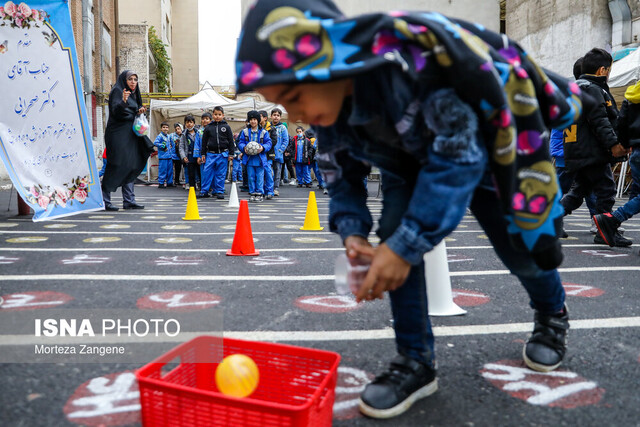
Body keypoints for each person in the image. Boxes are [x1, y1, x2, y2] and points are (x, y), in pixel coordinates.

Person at [236, 0, 582, 418]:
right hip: (407, 164)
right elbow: (339, 176)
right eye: (281, 104)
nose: (295, 116)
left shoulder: (411, 72)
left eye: (293, 97)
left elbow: (459, 160)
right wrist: (354, 234)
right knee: (395, 239)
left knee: (522, 249)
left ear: (332, 63)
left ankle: (551, 313)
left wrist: (403, 247)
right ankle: (415, 360)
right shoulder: (326, 112)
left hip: (488, 156)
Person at [550, 57, 597, 236]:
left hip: (579, 153)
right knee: (560, 189)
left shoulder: (581, 93)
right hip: (567, 154)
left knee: (589, 189)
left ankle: (597, 220)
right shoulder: (572, 95)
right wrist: (558, 151)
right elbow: (557, 127)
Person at [593, 78, 640, 248]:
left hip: (636, 151)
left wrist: (626, 145)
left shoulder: (632, 93)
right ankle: (612, 219)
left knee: (637, 196)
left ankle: (612, 220)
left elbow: (622, 121)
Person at [101, 70, 153, 211]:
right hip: (117, 135)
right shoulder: (118, 91)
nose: (133, 82)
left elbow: (132, 112)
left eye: (135, 79)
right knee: (116, 164)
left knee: (131, 165)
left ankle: (129, 200)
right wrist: (123, 102)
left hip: (130, 135)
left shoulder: (134, 94)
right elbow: (116, 111)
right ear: (124, 80)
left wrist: (139, 111)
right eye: (130, 79)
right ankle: (104, 201)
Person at [198, 106, 234, 199]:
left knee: (220, 174)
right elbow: (204, 142)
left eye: (219, 114)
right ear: (212, 115)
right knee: (207, 172)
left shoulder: (226, 127)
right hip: (210, 154)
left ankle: (219, 191)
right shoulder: (208, 127)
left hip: (223, 154)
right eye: (215, 114)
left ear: (223, 115)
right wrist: (203, 154)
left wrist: (231, 154)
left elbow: (231, 141)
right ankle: (204, 191)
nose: (217, 116)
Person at [238, 110, 272, 202]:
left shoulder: (264, 132)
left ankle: (259, 193)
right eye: (251, 119)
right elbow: (240, 142)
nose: (253, 121)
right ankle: (252, 192)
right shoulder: (244, 132)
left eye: (254, 119)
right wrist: (243, 148)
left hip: (260, 159)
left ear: (258, 120)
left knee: (260, 177)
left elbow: (269, 143)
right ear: (248, 121)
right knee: (251, 176)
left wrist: (263, 148)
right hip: (249, 159)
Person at [179, 115, 202, 191]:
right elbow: (181, 147)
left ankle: (200, 185)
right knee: (190, 172)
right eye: (187, 122)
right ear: (185, 124)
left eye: (191, 122)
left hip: (198, 155)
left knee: (199, 171)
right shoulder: (183, 134)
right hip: (189, 156)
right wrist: (183, 156)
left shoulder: (199, 133)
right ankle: (192, 187)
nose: (189, 124)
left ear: (194, 123)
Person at [270, 108, 289, 196]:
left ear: (280, 117)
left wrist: (280, 150)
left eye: (278, 115)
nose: (276, 117)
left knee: (277, 171)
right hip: (268, 154)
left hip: (278, 154)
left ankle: (276, 188)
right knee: (268, 171)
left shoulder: (283, 127)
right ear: (271, 116)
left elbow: (286, 140)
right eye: (274, 115)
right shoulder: (267, 126)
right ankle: (268, 188)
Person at [259, 110, 277, 199]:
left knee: (268, 172)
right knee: (259, 174)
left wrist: (264, 146)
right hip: (258, 155)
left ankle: (270, 191)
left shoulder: (272, 129)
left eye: (260, 117)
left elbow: (274, 141)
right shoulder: (256, 128)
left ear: (265, 118)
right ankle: (260, 190)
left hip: (268, 155)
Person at [306, 129, 328, 194]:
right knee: (318, 171)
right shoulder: (317, 139)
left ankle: (326, 186)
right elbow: (314, 147)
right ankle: (321, 184)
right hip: (317, 157)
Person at [154, 122, 174, 188]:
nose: (165, 129)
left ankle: (169, 182)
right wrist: (162, 145)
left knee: (170, 170)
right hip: (163, 157)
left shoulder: (169, 136)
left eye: (166, 127)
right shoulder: (160, 136)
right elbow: (155, 143)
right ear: (161, 128)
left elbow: (172, 144)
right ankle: (161, 183)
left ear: (168, 129)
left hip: (169, 156)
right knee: (163, 170)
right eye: (164, 127)